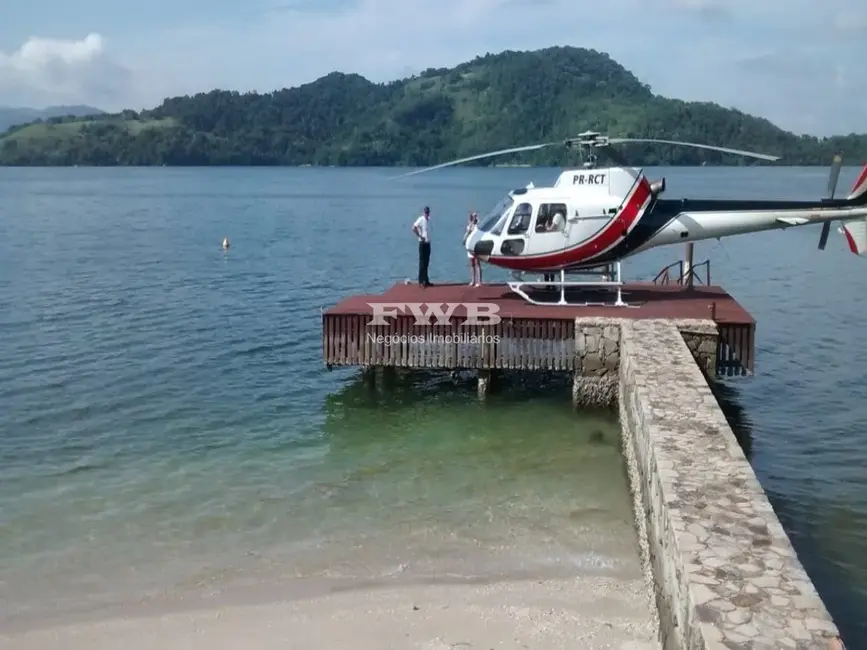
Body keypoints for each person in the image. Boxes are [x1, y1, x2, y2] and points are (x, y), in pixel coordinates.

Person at [412, 206, 432, 287]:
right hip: (422, 243)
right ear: (424, 213)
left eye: (428, 212)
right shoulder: (421, 219)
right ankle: (421, 281)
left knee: (427, 262)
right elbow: (413, 228)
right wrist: (419, 236)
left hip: (428, 243)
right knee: (422, 262)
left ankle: (426, 280)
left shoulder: (429, 220)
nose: (427, 214)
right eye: (426, 212)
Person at [463, 211, 482, 286]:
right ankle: (473, 280)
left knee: (478, 263)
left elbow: (479, 223)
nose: (474, 218)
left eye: (475, 216)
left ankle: (479, 281)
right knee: (472, 264)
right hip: (470, 245)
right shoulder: (469, 225)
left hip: (476, 246)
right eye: (473, 216)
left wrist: (476, 219)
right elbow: (466, 233)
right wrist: (464, 240)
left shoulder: (477, 225)